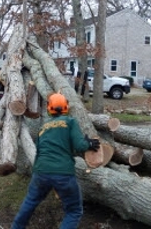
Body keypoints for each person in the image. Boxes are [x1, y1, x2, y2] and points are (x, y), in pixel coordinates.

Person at [11, 93, 100, 229]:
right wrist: (88, 143)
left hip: (40, 171)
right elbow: (79, 146)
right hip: (63, 173)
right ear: (66, 107)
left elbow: (40, 150)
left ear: (49, 109)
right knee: (74, 210)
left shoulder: (43, 128)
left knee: (30, 202)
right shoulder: (70, 122)